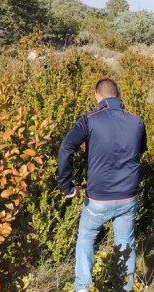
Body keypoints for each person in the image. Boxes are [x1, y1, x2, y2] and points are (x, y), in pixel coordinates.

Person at [58, 78, 147, 292]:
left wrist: (66, 185)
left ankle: (82, 288)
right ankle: (125, 287)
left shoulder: (89, 119)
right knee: (125, 243)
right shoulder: (137, 121)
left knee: (86, 239)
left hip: (98, 197)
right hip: (128, 196)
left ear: (97, 96)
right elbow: (139, 151)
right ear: (118, 95)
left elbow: (66, 148)